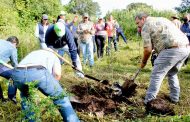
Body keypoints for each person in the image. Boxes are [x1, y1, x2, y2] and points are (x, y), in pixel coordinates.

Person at [135, 12, 190, 105]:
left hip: (172, 49)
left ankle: (148, 101)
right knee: (172, 73)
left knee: (156, 74)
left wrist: (143, 62)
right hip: (186, 48)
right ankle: (175, 98)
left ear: (143, 19)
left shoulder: (145, 26)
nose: (138, 26)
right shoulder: (162, 18)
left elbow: (147, 50)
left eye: (138, 23)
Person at [10, 49, 80, 122]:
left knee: (27, 98)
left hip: (17, 74)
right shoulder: (54, 55)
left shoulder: (33, 52)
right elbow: (57, 74)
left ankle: (31, 120)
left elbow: (26, 73)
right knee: (61, 97)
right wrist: (53, 89)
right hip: (37, 71)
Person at [0, 36, 19, 103]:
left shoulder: (1, 41)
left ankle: (1, 100)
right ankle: (11, 99)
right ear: (15, 43)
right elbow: (15, 63)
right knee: (14, 76)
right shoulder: (12, 47)